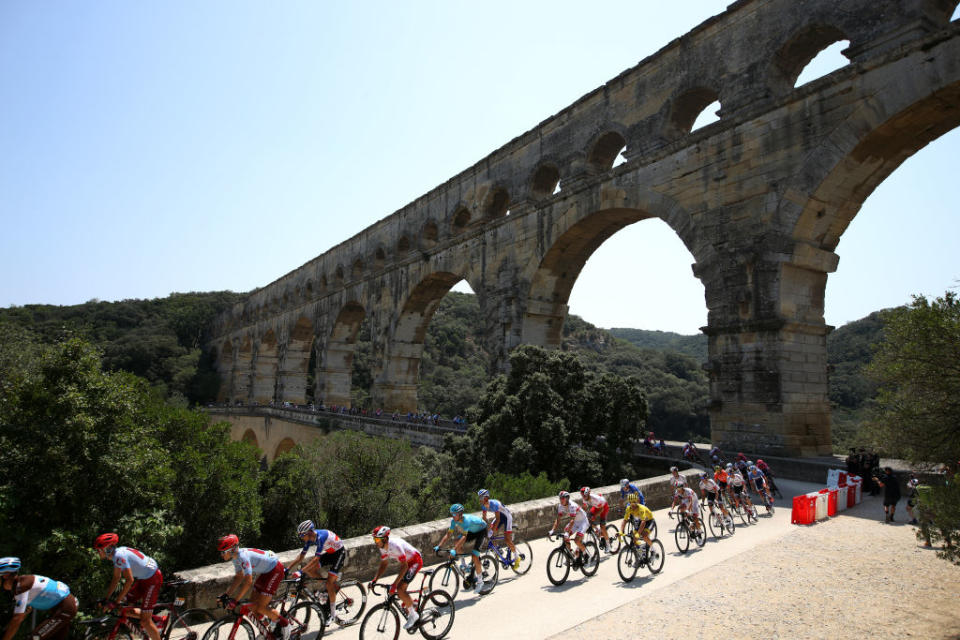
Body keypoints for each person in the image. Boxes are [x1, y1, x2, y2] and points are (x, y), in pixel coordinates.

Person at [217, 535, 291, 640]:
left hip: (275, 570)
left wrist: (236, 600)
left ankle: (285, 625)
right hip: (266, 571)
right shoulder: (235, 558)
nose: (221, 555)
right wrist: (227, 594)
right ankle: (266, 629)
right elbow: (239, 577)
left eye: (223, 552)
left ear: (232, 550)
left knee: (261, 607)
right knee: (252, 606)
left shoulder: (242, 557)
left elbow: (248, 582)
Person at [93, 533, 163, 640]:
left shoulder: (119, 556)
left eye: (99, 550)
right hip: (145, 578)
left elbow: (129, 580)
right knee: (123, 607)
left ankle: (148, 620)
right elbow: (116, 578)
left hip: (153, 579)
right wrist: (106, 598)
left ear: (107, 549)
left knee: (145, 621)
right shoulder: (116, 555)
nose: (97, 552)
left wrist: (116, 601)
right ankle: (155, 619)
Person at [0, 558, 77, 640]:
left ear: (6, 575)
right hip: (63, 607)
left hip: (65, 608)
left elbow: (17, 619)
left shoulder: (21, 587)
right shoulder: (21, 584)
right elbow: (22, 615)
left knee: (34, 638)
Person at [286, 520, 346, 623]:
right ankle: (325, 591)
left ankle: (333, 615)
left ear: (309, 532)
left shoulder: (320, 537)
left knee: (329, 583)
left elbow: (316, 559)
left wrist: (301, 571)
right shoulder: (309, 538)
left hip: (339, 553)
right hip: (330, 553)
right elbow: (301, 556)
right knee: (310, 569)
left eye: (302, 535)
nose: (301, 538)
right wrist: (287, 568)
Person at [369, 526, 423, 630]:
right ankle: (412, 602)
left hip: (415, 561)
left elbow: (405, 566)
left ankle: (413, 615)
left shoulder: (395, 546)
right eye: (374, 539)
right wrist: (375, 579)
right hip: (407, 563)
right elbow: (384, 564)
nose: (375, 542)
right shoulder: (382, 547)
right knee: (400, 589)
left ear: (384, 539)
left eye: (376, 539)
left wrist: (394, 584)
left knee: (400, 589)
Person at [433, 504, 489, 593]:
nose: (453, 516)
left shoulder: (466, 520)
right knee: (456, 541)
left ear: (460, 514)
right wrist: (439, 546)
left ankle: (480, 581)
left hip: (481, 530)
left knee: (475, 556)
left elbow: (464, 537)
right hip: (472, 531)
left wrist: (454, 550)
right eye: (452, 514)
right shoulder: (453, 521)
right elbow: (448, 534)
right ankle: (464, 565)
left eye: (455, 514)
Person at [477, 489, 520, 570]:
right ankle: (497, 548)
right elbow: (484, 518)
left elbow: (498, 519)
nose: (479, 500)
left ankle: (516, 557)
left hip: (506, 517)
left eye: (481, 498)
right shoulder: (483, 506)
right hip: (499, 516)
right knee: (491, 535)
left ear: (486, 498)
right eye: (479, 498)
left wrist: (491, 530)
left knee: (507, 540)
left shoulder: (494, 504)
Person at [549, 491, 589, 563]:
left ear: (567, 498)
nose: (561, 500)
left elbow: (572, 521)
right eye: (560, 498)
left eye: (563, 498)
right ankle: (571, 554)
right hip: (576, 522)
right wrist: (552, 530)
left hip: (583, 521)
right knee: (565, 536)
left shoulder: (572, 506)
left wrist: (567, 533)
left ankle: (585, 554)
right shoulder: (560, 506)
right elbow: (558, 520)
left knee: (576, 540)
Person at [580, 487, 613, 554]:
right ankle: (597, 530)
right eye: (582, 496)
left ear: (588, 494)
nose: (584, 497)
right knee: (588, 518)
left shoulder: (595, 498)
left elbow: (601, 509)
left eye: (585, 496)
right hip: (596, 507)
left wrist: (594, 516)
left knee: (603, 527)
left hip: (604, 507)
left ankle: (608, 545)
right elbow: (584, 508)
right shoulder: (584, 498)